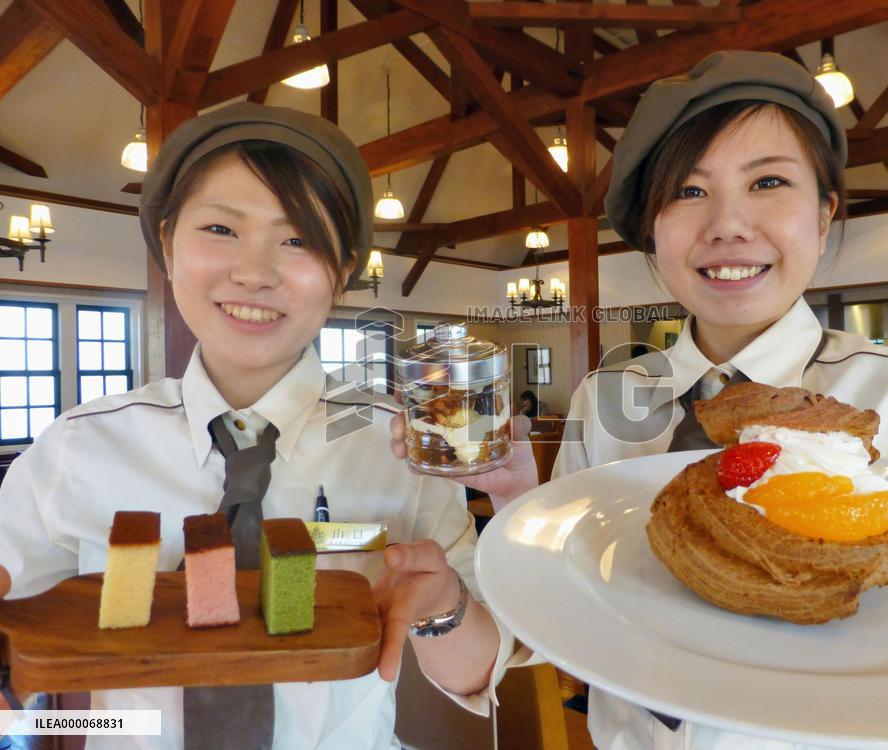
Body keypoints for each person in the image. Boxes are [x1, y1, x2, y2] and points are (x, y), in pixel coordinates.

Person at [391, 50, 888, 750]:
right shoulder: (610, 399)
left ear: (825, 212)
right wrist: (518, 502)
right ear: (651, 230)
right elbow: (562, 629)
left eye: (768, 181)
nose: (728, 225)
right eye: (687, 190)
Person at [0, 103, 516, 750]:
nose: (255, 272)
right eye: (220, 228)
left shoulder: (396, 445)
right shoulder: (80, 447)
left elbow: (476, 678)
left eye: (298, 239)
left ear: (345, 269)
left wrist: (441, 606)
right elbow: (23, 680)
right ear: (166, 244)